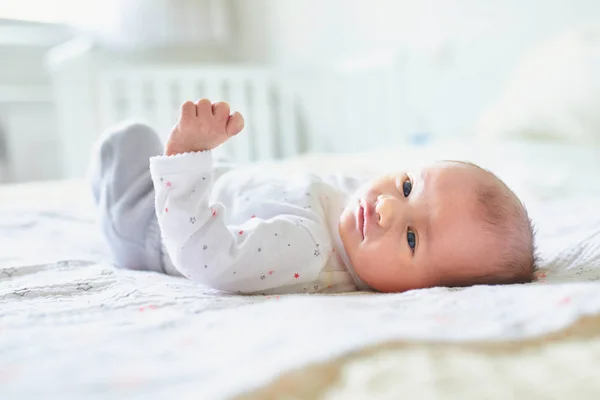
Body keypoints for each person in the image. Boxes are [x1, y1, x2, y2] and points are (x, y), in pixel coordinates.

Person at [89, 99, 536, 294]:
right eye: (407, 187)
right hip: (208, 188)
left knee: (126, 139)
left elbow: (205, 258)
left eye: (413, 238)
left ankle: (116, 226)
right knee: (137, 138)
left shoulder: (304, 249)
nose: (386, 208)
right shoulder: (354, 211)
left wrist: (188, 160)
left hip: (153, 228)